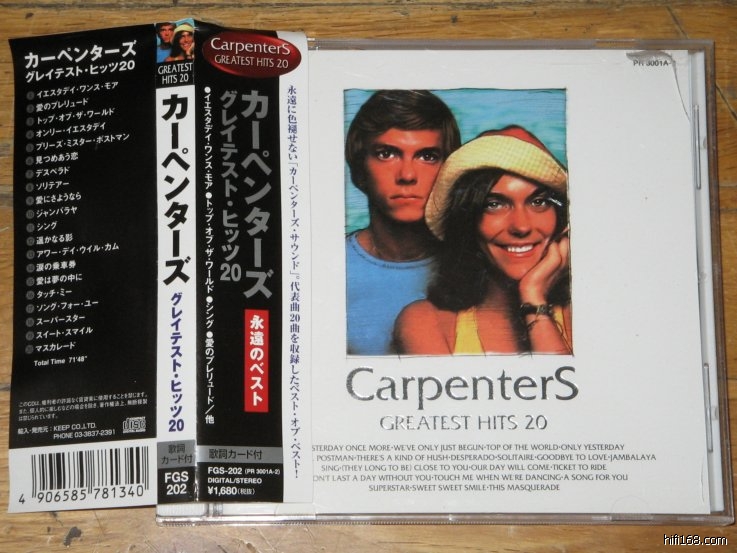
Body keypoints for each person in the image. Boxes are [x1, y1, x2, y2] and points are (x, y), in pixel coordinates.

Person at [394, 125, 572, 355]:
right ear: (466, 220)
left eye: (538, 202)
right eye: (494, 204)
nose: (521, 226)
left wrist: (533, 295)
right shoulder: (425, 322)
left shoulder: (584, 312)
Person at [345, 90, 461, 355]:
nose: (407, 175)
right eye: (386, 153)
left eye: (427, 156)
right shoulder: (328, 265)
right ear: (360, 169)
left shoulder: (478, 264)